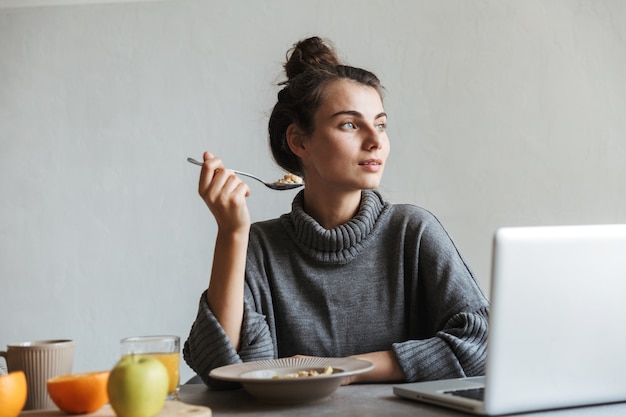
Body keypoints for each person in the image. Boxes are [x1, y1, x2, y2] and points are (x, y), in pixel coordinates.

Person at [183, 36, 489, 388]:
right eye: (350, 124)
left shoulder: (412, 232)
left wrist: (341, 368)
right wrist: (231, 233)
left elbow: (483, 345)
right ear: (299, 141)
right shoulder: (261, 246)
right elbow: (223, 375)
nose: (375, 140)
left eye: (381, 124)